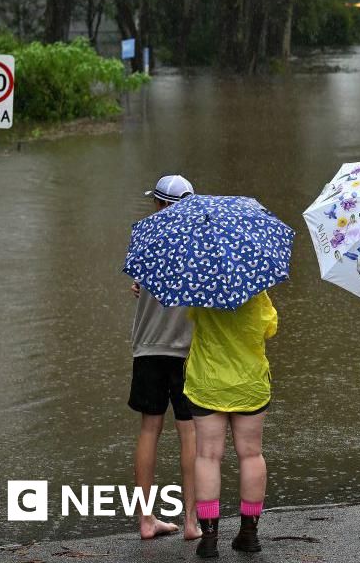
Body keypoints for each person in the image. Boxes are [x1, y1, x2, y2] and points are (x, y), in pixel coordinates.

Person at [128, 174, 200, 541]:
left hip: (147, 348)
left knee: (148, 430)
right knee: (189, 434)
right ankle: (191, 522)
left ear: (158, 205)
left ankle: (146, 519)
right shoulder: (200, 243)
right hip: (187, 352)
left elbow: (139, 284)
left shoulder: (143, 236)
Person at [189, 291, 278, 559]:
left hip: (207, 383)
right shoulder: (256, 290)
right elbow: (270, 327)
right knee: (251, 454)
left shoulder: (200, 288)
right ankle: (249, 534)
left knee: (207, 456)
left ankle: (209, 537)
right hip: (249, 384)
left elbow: (192, 318)